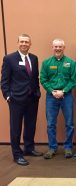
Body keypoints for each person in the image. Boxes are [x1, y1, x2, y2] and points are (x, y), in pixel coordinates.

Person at [1, 34, 43, 166]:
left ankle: (29, 148)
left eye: (27, 42)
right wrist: (8, 96)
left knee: (30, 125)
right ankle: (17, 154)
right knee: (16, 127)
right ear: (18, 43)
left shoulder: (34, 58)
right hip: (16, 99)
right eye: (22, 41)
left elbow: (35, 77)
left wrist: (37, 92)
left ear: (30, 44)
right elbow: (4, 81)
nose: (24, 44)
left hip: (32, 98)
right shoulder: (9, 59)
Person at [40, 39, 76, 159]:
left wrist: (64, 91)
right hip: (51, 96)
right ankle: (52, 147)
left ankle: (68, 147)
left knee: (69, 123)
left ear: (64, 47)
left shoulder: (70, 62)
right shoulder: (46, 63)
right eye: (55, 46)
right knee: (51, 124)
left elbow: (74, 80)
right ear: (52, 47)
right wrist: (52, 91)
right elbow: (43, 79)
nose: (57, 49)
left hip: (66, 96)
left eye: (60, 47)